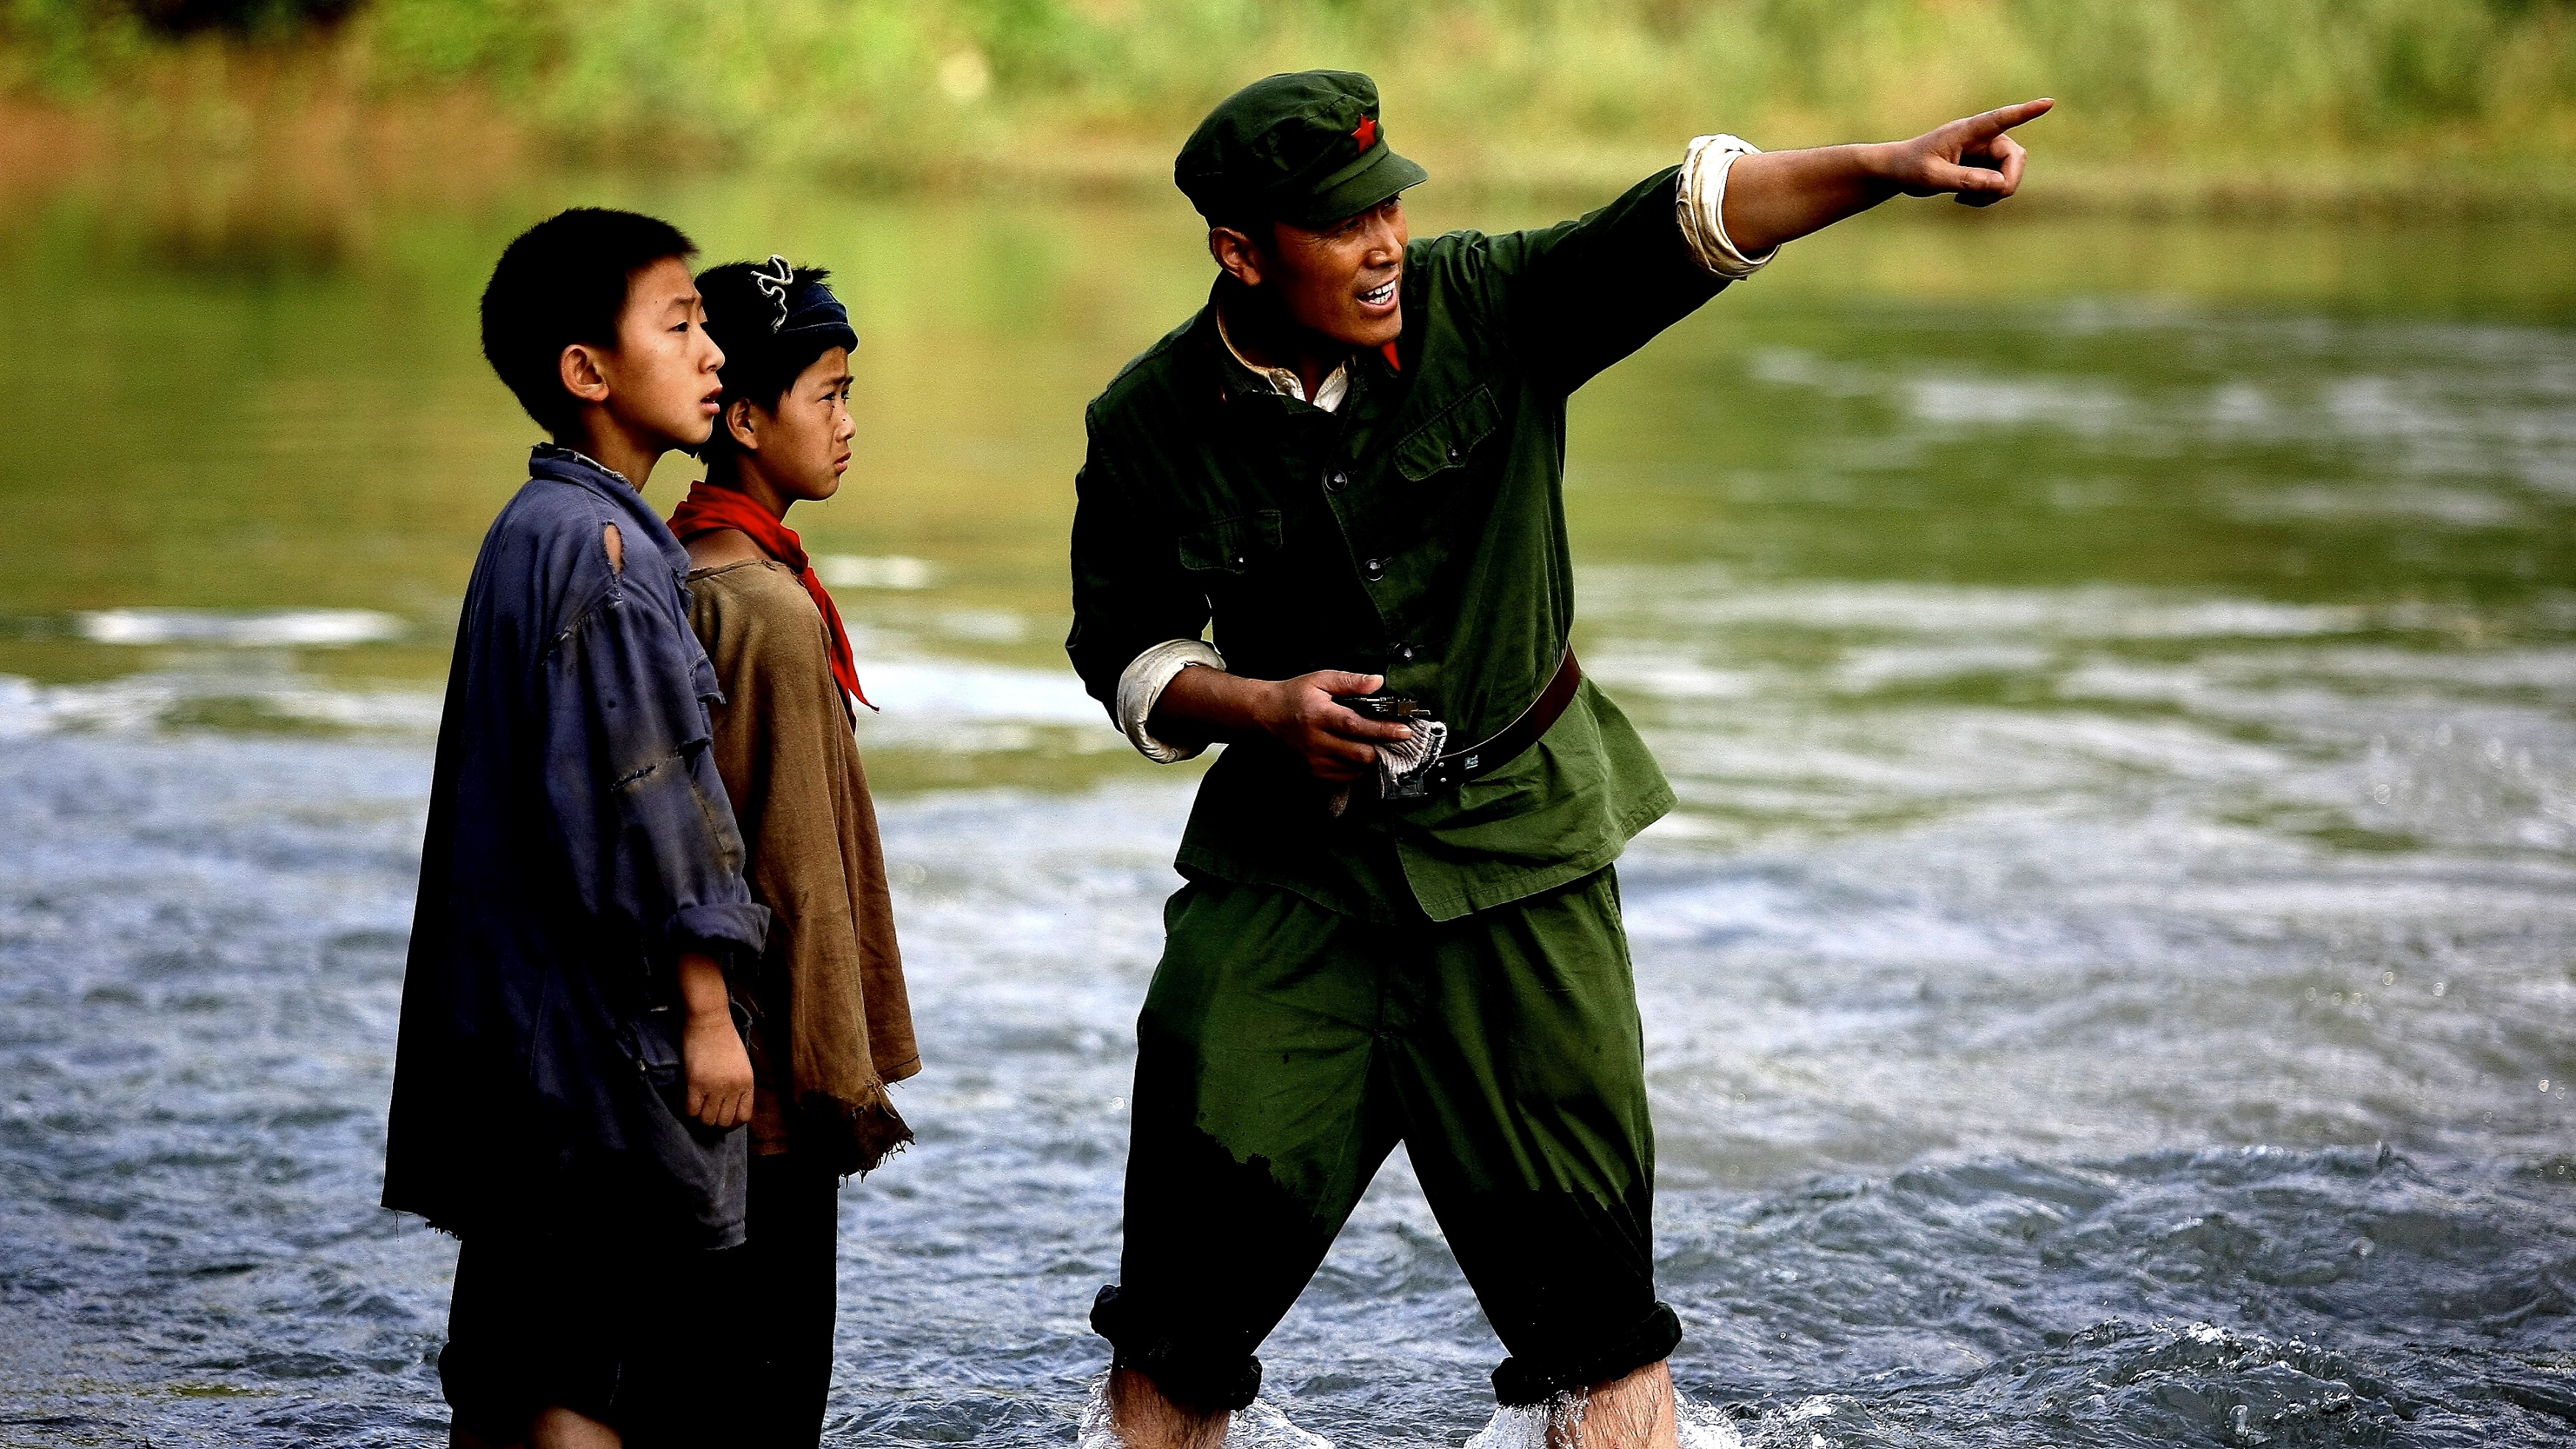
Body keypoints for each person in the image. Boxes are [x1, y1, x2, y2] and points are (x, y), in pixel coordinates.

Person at [1065, 70, 2051, 1447]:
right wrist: (1261, 709)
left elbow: (1692, 220)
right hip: (1286, 887)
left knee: (1601, 1338)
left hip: (1523, 867)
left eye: (1392, 204)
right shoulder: (1150, 420)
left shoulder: (1490, 304)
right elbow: (1125, 655)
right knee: (1172, 1329)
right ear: (1240, 249)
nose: (1386, 241)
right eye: (1343, 222)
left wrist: (1885, 165)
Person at [383, 207, 769, 1449]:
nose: (713, 352)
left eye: (707, 322)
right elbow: (654, 802)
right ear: (586, 372)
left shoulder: (532, 527)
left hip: (514, 1048)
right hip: (591, 1065)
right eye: (680, 323)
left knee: (510, 1363)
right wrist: (709, 1016)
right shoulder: (610, 551)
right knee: (583, 1374)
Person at [667, 257, 922, 1446]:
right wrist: (836, 1079)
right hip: (762, 1087)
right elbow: (794, 879)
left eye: (849, 389)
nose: (848, 420)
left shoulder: (692, 566)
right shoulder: (764, 611)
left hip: (691, 1066)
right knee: (770, 1404)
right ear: (744, 417)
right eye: (826, 394)